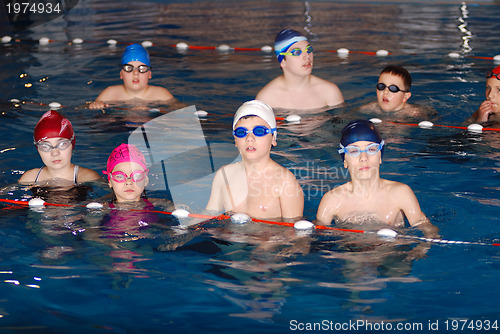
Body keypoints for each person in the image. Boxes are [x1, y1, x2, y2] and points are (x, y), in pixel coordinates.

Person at [316, 119, 438, 237]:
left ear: (380, 156)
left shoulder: (400, 194)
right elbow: (314, 238)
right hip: (349, 254)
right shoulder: (332, 200)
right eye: (353, 151)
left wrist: (419, 251)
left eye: (371, 149)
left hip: (394, 255)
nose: (363, 157)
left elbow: (428, 231)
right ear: (345, 161)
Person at [206, 100, 304, 220]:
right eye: (241, 132)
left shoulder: (285, 181)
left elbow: (295, 235)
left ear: (273, 138)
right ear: (235, 140)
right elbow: (207, 217)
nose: (250, 138)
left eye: (259, 131)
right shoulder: (224, 175)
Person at [255, 29, 344, 110]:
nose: (307, 56)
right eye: (297, 52)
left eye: (308, 49)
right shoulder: (266, 99)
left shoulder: (329, 92)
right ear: (282, 62)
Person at [19, 110, 101, 185]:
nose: (55, 153)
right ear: (38, 149)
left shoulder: (88, 178)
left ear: (72, 144)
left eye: (62, 144)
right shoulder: (29, 178)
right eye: (45, 146)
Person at [89, 44, 174, 110]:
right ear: (121, 74)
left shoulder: (161, 94)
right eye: (129, 68)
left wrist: (154, 110)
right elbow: (85, 108)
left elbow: (178, 109)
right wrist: (95, 105)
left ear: (149, 74)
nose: (135, 73)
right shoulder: (110, 93)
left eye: (142, 68)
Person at [360, 65, 430, 118]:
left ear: (405, 97)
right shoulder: (370, 108)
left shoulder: (413, 113)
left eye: (393, 88)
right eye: (382, 86)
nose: (385, 92)